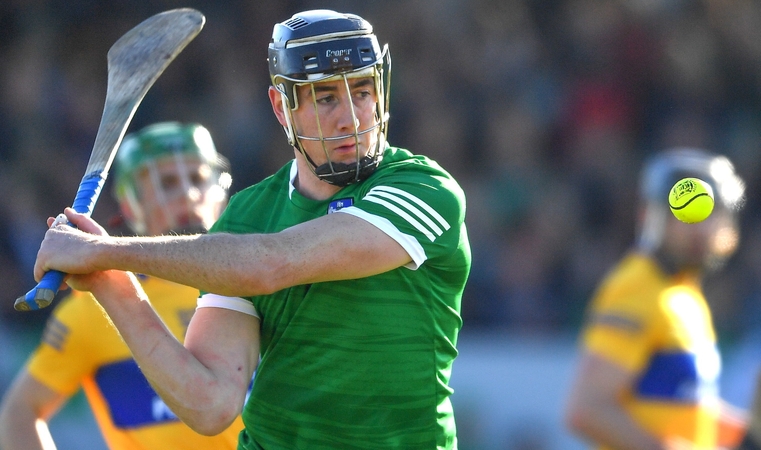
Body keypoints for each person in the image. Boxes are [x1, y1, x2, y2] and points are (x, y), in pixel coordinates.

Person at [28, 9, 471, 450]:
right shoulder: (247, 215)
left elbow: (273, 263)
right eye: (325, 97)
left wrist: (105, 252)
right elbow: (210, 406)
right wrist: (110, 281)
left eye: (361, 91)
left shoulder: (422, 190)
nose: (351, 119)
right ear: (282, 107)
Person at [0, 122, 242, 449]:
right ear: (130, 206)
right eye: (167, 183)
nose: (188, 194)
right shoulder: (90, 310)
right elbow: (20, 412)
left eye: (198, 178)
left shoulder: (259, 282)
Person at [563, 148, 761, 450]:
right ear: (652, 216)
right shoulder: (636, 288)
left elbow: (689, 412)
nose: (700, 227)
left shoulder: (685, 295)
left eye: (710, 213)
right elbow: (587, 410)